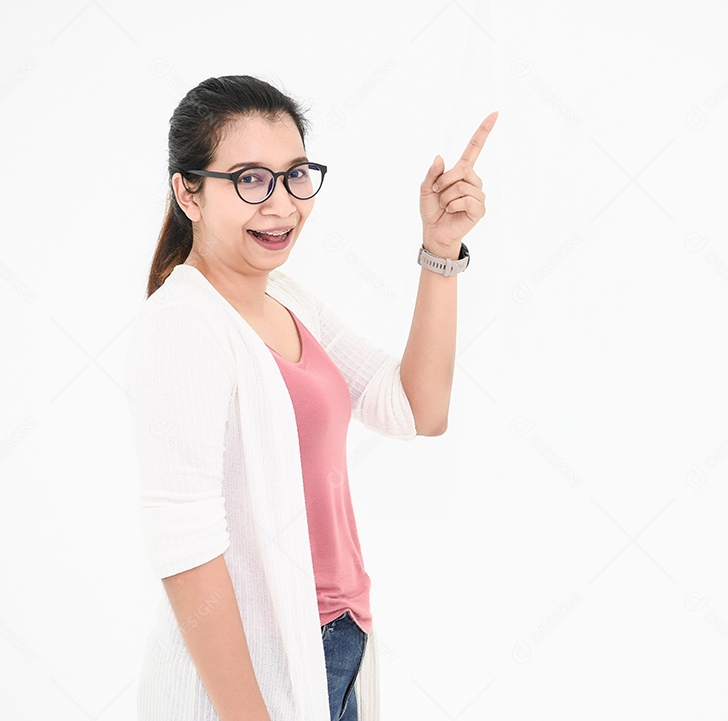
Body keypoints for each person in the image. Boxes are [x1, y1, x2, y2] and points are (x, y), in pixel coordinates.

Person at [124, 74, 495, 721]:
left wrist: (440, 249)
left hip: (337, 640)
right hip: (256, 669)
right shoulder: (184, 322)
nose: (281, 204)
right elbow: (186, 554)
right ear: (189, 191)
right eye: (249, 179)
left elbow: (415, 407)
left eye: (295, 175)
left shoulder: (288, 301)